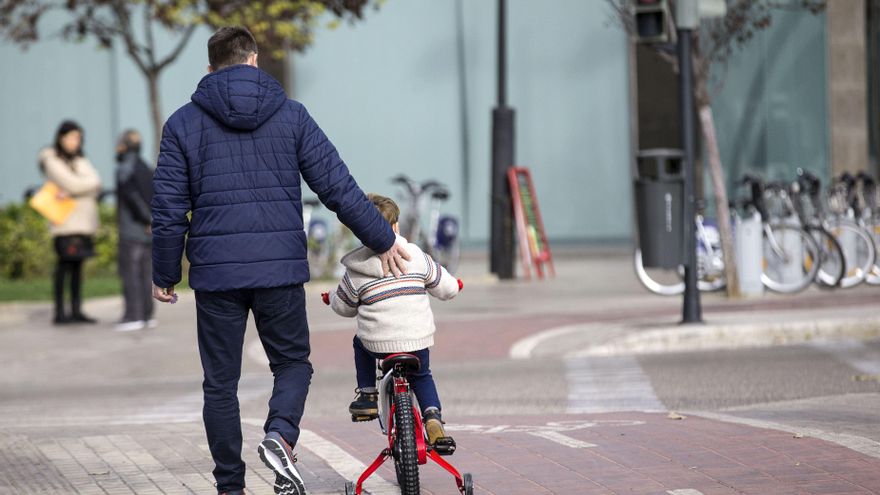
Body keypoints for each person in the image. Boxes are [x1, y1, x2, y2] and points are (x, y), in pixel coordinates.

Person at [150, 26, 411, 495]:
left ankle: (230, 487)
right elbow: (337, 186)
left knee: (220, 384)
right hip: (279, 270)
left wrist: (165, 273)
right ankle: (280, 435)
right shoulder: (292, 115)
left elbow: (169, 210)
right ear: (254, 60)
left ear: (210, 69)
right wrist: (382, 239)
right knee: (292, 364)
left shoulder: (182, 124)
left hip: (216, 275)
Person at [325, 193, 462, 454]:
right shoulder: (416, 255)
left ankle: (367, 395)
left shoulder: (356, 269)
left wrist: (330, 297)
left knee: (359, 342)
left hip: (378, 345)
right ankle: (433, 417)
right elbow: (447, 288)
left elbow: (343, 307)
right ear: (396, 226)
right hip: (416, 340)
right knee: (421, 374)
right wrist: (457, 285)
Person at [38, 120, 102, 325]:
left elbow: (97, 181)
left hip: (83, 223)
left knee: (77, 268)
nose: (76, 142)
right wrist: (83, 187)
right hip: (64, 224)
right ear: (61, 137)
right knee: (63, 267)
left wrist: (78, 188)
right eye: (72, 137)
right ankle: (59, 312)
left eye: (78, 138)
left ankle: (76, 310)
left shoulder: (80, 159)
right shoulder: (51, 158)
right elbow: (73, 184)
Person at [114, 130, 155, 332]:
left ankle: (133, 316)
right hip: (148, 231)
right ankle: (147, 315)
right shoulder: (145, 167)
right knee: (146, 273)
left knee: (131, 273)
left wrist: (146, 218)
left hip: (132, 230)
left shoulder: (124, 168)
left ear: (124, 146)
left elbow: (132, 197)